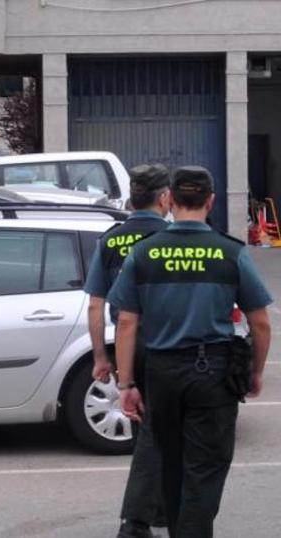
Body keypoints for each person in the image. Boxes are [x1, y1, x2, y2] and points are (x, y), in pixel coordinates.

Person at [109, 166, 273, 538]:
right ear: (211, 200)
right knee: (206, 467)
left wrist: (127, 383)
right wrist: (257, 372)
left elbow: (126, 323)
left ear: (171, 200)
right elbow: (260, 322)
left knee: (169, 462)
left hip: (162, 372)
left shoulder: (143, 252)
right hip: (212, 373)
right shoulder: (229, 251)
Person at [82, 164, 172, 538]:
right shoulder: (171, 238)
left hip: (128, 348)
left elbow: (94, 306)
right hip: (169, 346)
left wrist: (102, 359)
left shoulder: (111, 239)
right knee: (167, 432)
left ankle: (155, 511)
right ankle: (140, 519)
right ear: (164, 198)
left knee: (143, 431)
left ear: (131, 199)